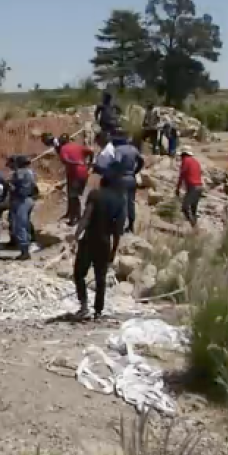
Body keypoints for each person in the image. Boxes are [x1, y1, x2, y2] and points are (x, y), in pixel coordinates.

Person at [72, 162, 126, 320]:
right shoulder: (120, 201)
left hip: (89, 239)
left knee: (79, 274)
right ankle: (98, 311)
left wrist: (76, 235)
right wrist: (114, 250)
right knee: (100, 278)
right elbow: (118, 230)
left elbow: (87, 217)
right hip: (105, 242)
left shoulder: (95, 194)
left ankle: (83, 306)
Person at [57, 133, 93, 226]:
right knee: (76, 196)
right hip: (84, 173)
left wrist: (74, 162)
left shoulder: (63, 149)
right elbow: (91, 151)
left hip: (74, 175)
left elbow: (65, 160)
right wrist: (90, 163)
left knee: (73, 197)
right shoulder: (77, 146)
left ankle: (74, 219)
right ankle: (78, 216)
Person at [9, 155, 39, 261]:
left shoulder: (19, 173)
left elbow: (14, 187)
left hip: (21, 200)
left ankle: (24, 251)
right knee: (25, 224)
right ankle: (29, 245)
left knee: (20, 225)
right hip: (30, 199)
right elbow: (35, 188)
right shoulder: (32, 173)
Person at [113, 134, 144, 233]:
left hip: (122, 178)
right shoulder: (133, 149)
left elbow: (117, 163)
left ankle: (120, 227)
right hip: (132, 178)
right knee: (131, 202)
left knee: (122, 203)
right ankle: (131, 225)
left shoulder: (118, 149)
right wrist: (136, 171)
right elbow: (141, 161)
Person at [176, 147, 203, 229]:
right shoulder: (196, 162)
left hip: (193, 187)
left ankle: (194, 227)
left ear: (184, 154)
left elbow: (182, 175)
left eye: (181, 156)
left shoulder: (186, 161)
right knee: (193, 209)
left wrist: (177, 188)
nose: (180, 158)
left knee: (185, 207)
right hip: (199, 187)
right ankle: (195, 229)